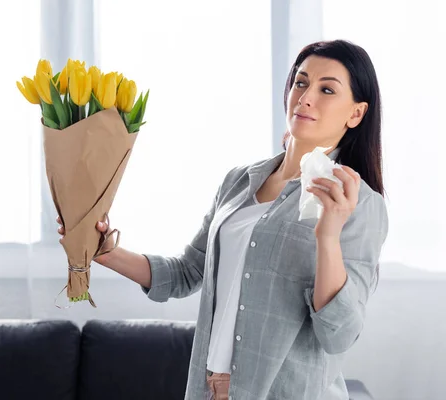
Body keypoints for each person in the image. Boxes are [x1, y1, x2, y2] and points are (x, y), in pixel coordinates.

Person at [57, 39, 388, 400]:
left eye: (327, 89)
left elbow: (338, 334)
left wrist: (327, 236)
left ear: (355, 114)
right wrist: (104, 251)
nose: (306, 97)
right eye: (301, 82)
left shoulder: (358, 204)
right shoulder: (239, 181)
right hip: (210, 389)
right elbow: (186, 272)